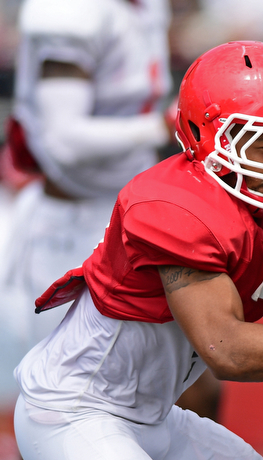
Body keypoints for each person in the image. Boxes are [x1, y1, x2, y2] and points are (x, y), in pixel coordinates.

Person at [13, 40, 263, 460]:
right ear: (204, 135)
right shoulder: (174, 207)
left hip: (155, 417)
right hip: (74, 413)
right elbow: (228, 351)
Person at [0, 0, 172, 417]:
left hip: (133, 219)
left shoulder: (147, 8)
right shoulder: (73, 10)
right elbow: (63, 140)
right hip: (72, 225)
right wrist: (166, 126)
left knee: (166, 391)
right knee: (59, 400)